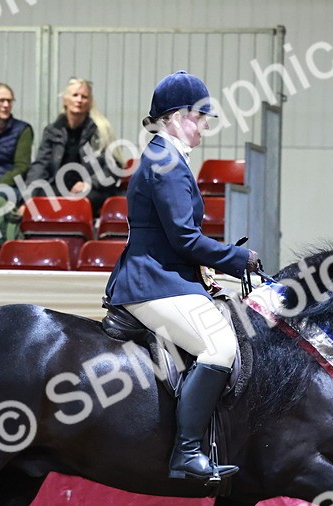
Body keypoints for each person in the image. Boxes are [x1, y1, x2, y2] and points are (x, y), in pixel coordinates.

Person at [104, 71, 259, 483]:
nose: (204, 125)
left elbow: (176, 239)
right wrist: (237, 258)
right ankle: (186, 453)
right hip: (152, 281)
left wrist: (205, 269)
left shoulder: (168, 157)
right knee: (219, 348)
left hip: (165, 274)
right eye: (199, 116)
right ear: (175, 117)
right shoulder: (167, 163)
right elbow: (185, 238)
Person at [26, 77, 121, 215]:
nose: (79, 100)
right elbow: (40, 165)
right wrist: (29, 196)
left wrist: (89, 184)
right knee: (41, 197)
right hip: (58, 188)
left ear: (89, 102)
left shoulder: (101, 130)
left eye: (84, 96)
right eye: (75, 95)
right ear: (65, 100)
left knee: (83, 201)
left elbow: (114, 166)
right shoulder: (52, 131)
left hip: (91, 190)